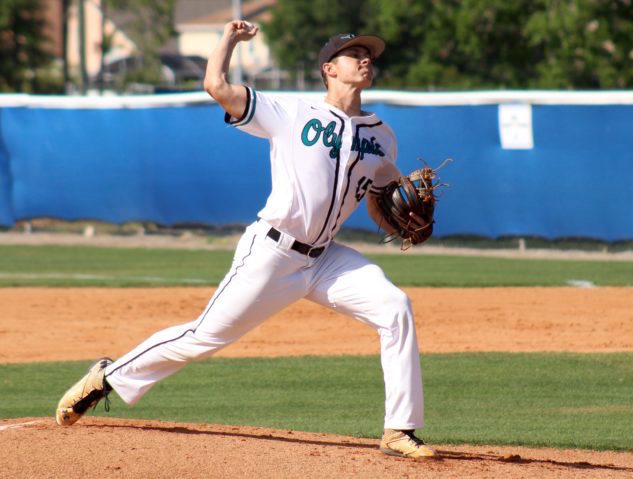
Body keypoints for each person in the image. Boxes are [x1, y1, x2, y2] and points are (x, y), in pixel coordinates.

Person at [55, 20, 438, 461]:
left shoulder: (382, 136)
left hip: (327, 259)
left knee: (394, 307)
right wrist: (229, 40)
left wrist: (403, 225)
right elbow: (215, 85)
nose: (366, 59)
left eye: (368, 54)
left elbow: (378, 200)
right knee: (203, 337)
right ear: (329, 70)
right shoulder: (292, 113)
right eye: (354, 54)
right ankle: (108, 375)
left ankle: (399, 430)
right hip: (273, 251)